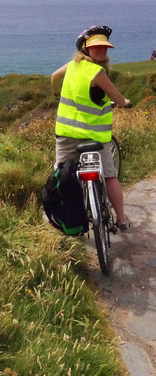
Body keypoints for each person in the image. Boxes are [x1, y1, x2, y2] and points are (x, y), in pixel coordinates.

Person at [51, 25, 131, 231]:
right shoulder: (97, 72)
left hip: (66, 135)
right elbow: (117, 98)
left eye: (104, 47)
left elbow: (53, 77)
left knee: (61, 174)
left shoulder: (71, 66)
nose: (102, 50)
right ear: (85, 48)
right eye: (96, 47)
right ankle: (121, 220)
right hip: (95, 137)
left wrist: (56, 94)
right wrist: (125, 102)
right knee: (110, 176)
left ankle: (64, 219)